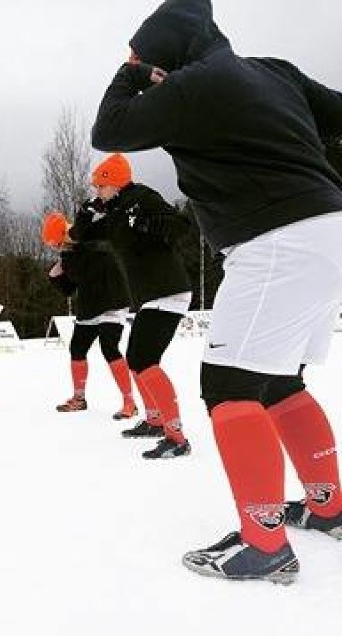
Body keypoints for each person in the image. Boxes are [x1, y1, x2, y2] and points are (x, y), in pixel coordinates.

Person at [91, 0, 342, 583]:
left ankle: (265, 544)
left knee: (228, 385)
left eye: (149, 58)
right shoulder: (272, 70)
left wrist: (131, 72)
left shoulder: (192, 86)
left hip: (277, 240)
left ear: (167, 55)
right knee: (279, 381)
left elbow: (110, 130)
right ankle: (329, 506)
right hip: (328, 228)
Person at [71, 153, 192, 459]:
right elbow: (79, 238)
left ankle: (176, 436)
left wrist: (143, 222)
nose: (97, 191)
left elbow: (181, 225)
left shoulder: (142, 197)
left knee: (142, 359)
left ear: (114, 182)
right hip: (149, 296)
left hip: (167, 290)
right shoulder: (114, 215)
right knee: (137, 359)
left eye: (100, 186)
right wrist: (86, 213)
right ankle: (154, 421)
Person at [41, 211, 137, 419]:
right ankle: (79, 398)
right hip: (90, 304)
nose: (57, 248)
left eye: (58, 243)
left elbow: (104, 251)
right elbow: (70, 289)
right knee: (77, 348)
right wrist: (55, 277)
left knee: (109, 347)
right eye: (54, 246)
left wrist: (70, 258)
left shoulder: (90, 242)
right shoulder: (69, 256)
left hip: (112, 301)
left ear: (65, 235)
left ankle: (129, 401)